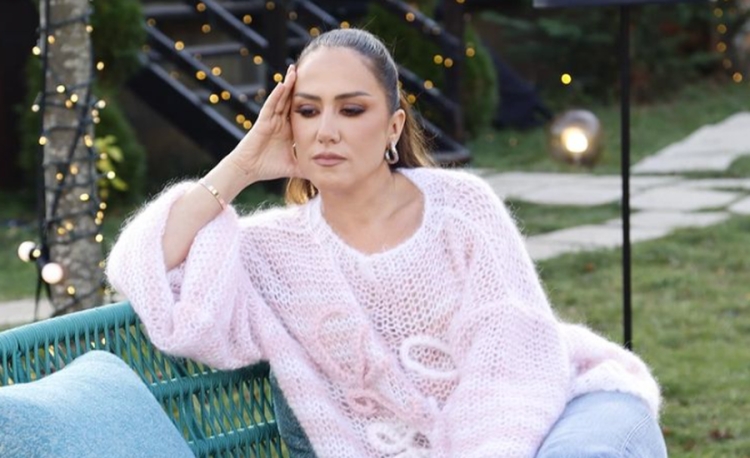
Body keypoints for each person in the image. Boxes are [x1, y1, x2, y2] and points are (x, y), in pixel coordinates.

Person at [106, 28, 667, 457]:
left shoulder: (460, 208)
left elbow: (510, 366)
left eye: (352, 110)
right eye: (308, 111)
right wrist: (243, 165)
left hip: (553, 412)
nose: (327, 130)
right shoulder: (273, 253)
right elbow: (148, 269)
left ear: (393, 127)